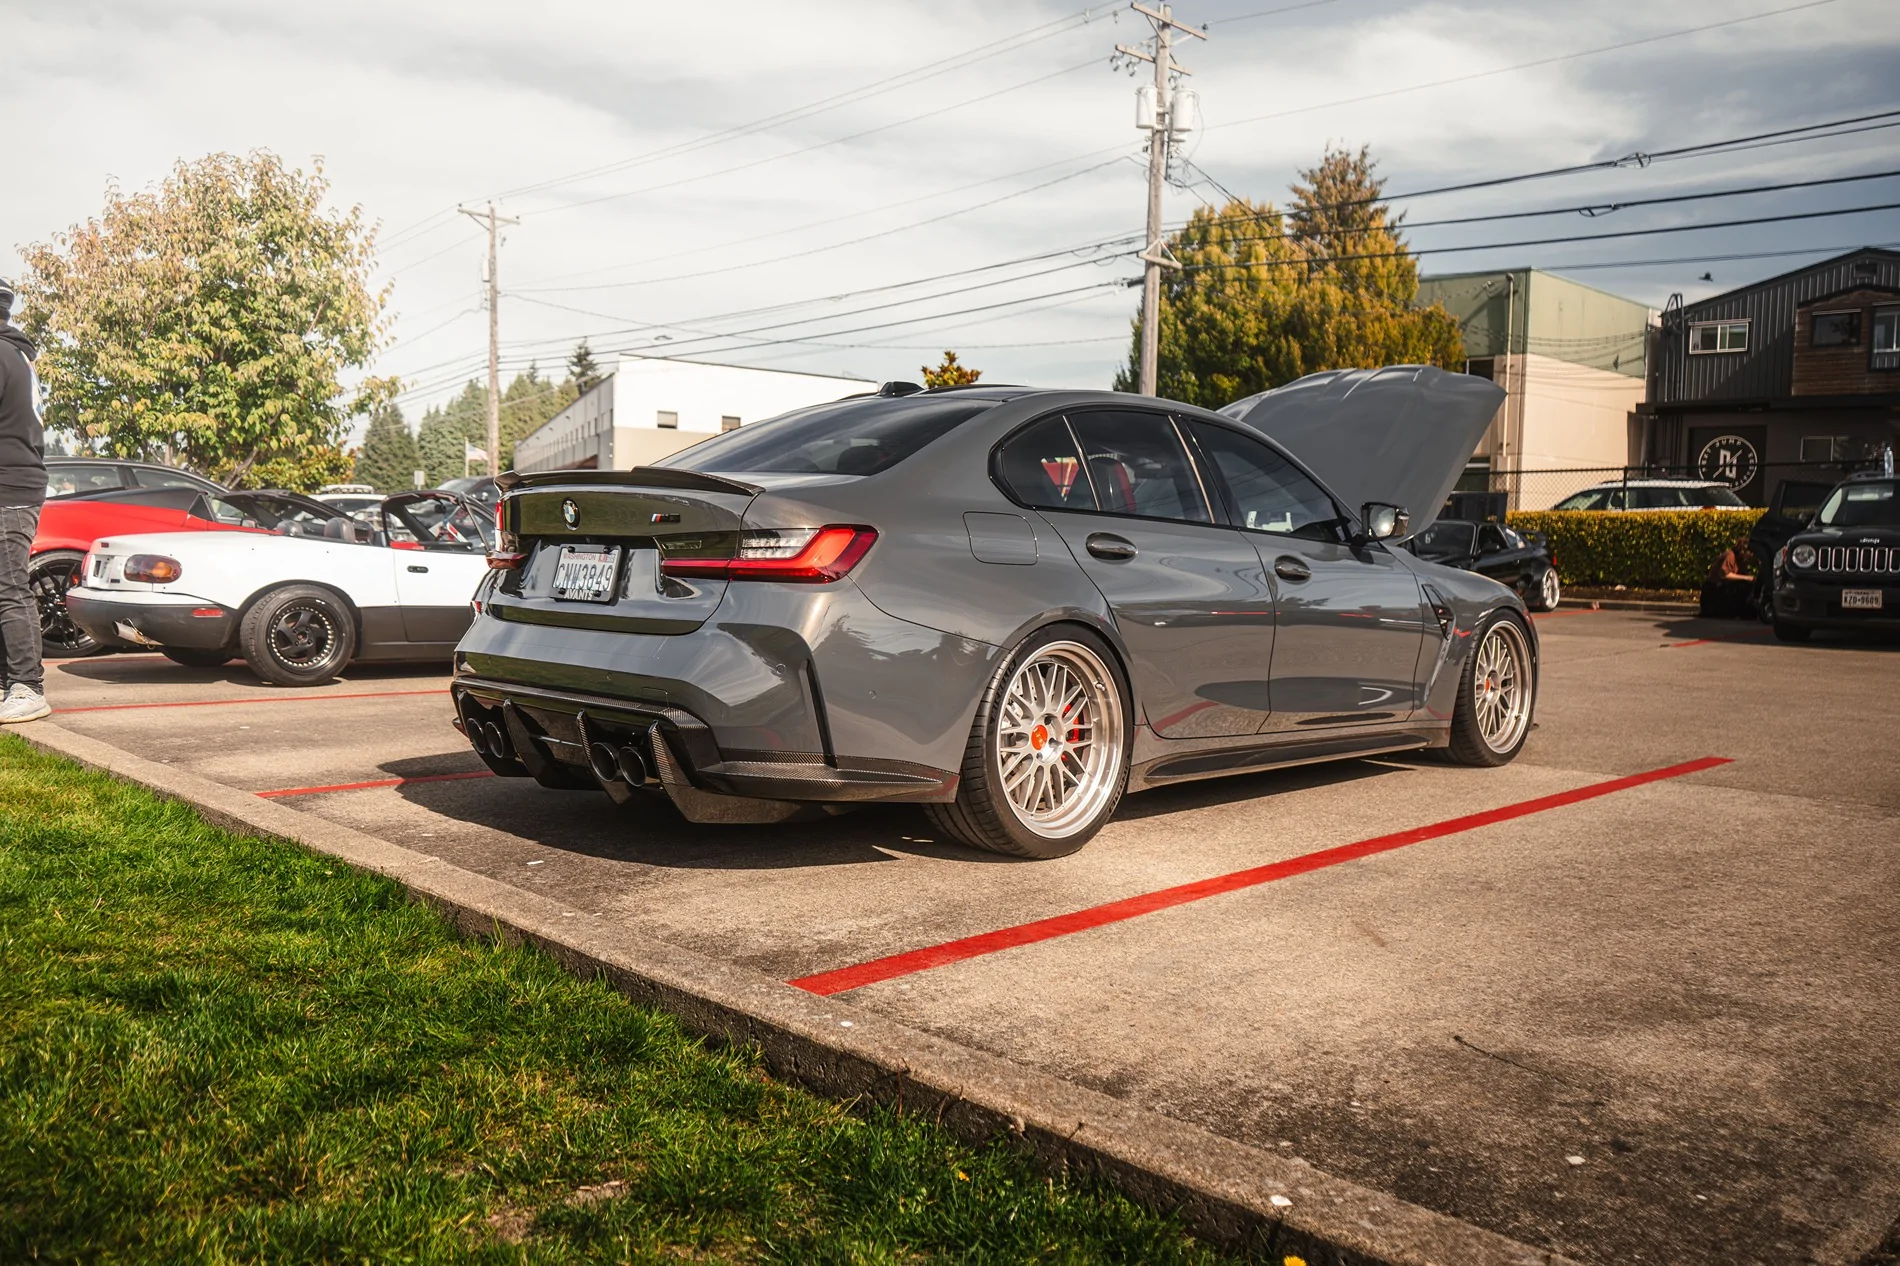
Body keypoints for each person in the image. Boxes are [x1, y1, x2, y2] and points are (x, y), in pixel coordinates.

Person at [0, 277, 51, 723]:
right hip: (17, 484)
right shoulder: (14, 354)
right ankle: (8, 683)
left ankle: (27, 687)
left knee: (8, 588)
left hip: (8, 488)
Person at [1698, 536, 1756, 620]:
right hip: (1714, 588)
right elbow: (1725, 575)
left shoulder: (1742, 561)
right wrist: (1747, 578)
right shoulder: (1730, 555)